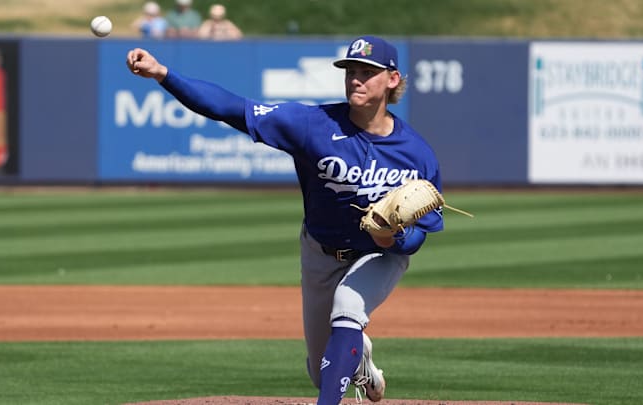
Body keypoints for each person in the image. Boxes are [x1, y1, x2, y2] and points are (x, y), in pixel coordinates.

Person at [126, 35, 444, 404]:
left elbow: (423, 232)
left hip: (380, 255)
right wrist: (163, 74)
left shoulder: (416, 153)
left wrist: (395, 241)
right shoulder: (312, 124)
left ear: (392, 79)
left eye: (367, 72)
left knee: (348, 308)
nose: (356, 79)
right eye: (351, 71)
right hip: (321, 253)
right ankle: (361, 364)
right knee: (318, 370)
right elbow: (230, 108)